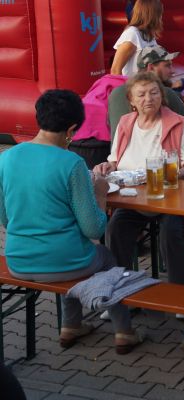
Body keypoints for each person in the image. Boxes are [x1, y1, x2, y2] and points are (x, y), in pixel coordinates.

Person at [0, 90, 140, 353]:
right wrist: (100, 193)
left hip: (18, 260)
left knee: (76, 249)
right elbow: (93, 228)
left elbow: (6, 219)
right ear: (71, 129)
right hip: (64, 262)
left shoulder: (6, 157)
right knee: (105, 257)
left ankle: (71, 325)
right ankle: (124, 331)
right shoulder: (72, 163)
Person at [94, 72, 184, 311]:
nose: (148, 99)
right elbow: (115, 160)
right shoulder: (125, 123)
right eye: (141, 94)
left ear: (162, 96)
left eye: (154, 93)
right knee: (115, 230)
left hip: (168, 197)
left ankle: (182, 299)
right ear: (131, 100)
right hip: (133, 198)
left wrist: (166, 174)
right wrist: (107, 166)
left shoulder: (175, 124)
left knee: (171, 233)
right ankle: (120, 295)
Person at [109, 45, 184, 140]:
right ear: (150, 68)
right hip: (156, 148)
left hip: (119, 149)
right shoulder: (166, 93)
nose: (172, 71)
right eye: (167, 65)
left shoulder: (115, 93)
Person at [111, 0, 163, 77]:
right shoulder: (132, 34)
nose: (161, 17)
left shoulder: (149, 35)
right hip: (133, 84)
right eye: (159, 13)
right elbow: (115, 71)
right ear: (151, 15)